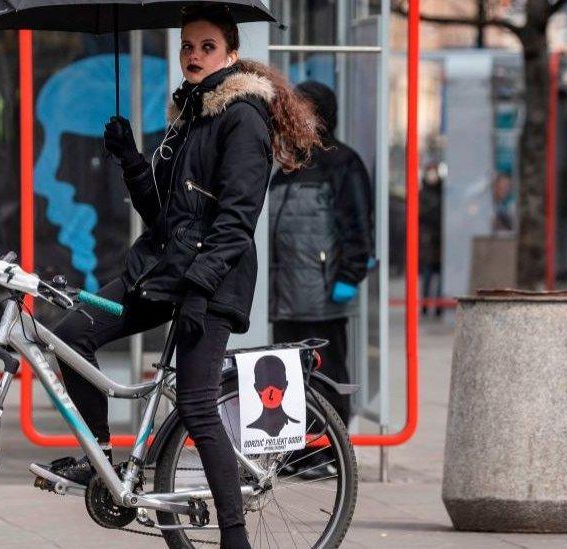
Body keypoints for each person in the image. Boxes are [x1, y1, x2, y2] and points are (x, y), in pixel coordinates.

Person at [40, 6, 319, 547]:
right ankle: (100, 464)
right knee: (73, 334)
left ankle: (235, 537)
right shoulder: (190, 115)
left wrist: (198, 290)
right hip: (163, 270)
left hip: (212, 280)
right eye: (187, 46)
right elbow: (164, 215)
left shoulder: (242, 118)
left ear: (231, 55)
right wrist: (129, 159)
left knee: (195, 404)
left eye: (206, 46)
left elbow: (238, 220)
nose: (193, 55)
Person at [268, 81, 372, 433]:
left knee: (326, 376)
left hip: (323, 295)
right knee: (287, 377)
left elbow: (358, 226)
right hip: (284, 297)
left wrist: (349, 276)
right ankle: (300, 451)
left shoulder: (342, 162)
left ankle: (330, 449)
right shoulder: (286, 167)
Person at [419, 163, 444, 317]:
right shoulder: (423, 193)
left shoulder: (443, 192)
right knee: (427, 275)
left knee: (440, 274)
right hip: (428, 239)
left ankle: (439, 306)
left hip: (441, 239)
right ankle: (425, 305)